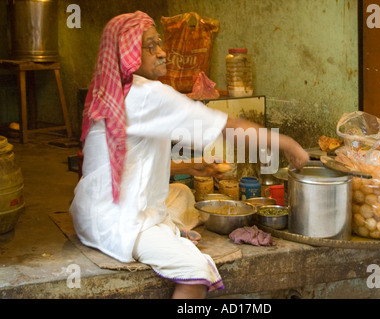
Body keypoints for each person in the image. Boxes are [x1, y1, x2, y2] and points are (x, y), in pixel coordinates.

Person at [69, 11, 310, 299]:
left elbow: (125, 164)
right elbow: (227, 125)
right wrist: (287, 143)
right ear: (128, 53)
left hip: (91, 211)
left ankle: (169, 232)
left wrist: (189, 166)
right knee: (196, 269)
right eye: (150, 46)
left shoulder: (108, 90)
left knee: (182, 192)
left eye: (159, 43)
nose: (161, 53)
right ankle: (169, 246)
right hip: (119, 223)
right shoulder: (149, 94)